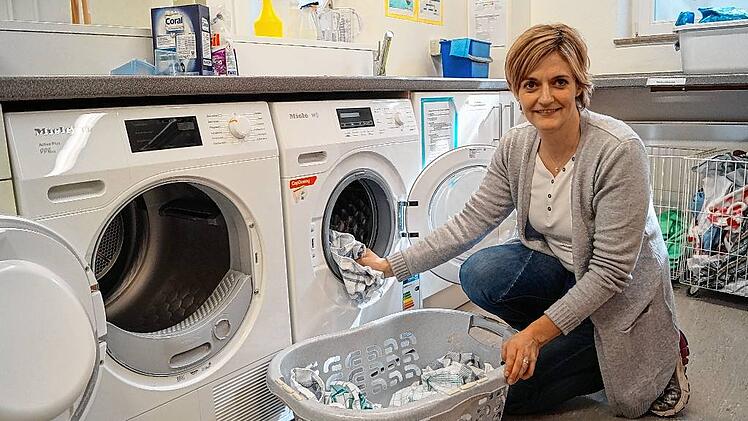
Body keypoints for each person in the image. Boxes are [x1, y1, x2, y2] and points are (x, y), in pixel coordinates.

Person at [358, 23, 691, 418]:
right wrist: (391, 265)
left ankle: (659, 348)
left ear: (579, 86)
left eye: (559, 82)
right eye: (531, 84)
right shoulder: (516, 146)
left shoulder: (618, 150)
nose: (545, 97)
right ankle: (572, 334)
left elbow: (610, 272)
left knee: (512, 396)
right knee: (481, 272)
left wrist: (534, 335)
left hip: (620, 295)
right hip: (562, 271)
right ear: (517, 91)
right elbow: (470, 222)